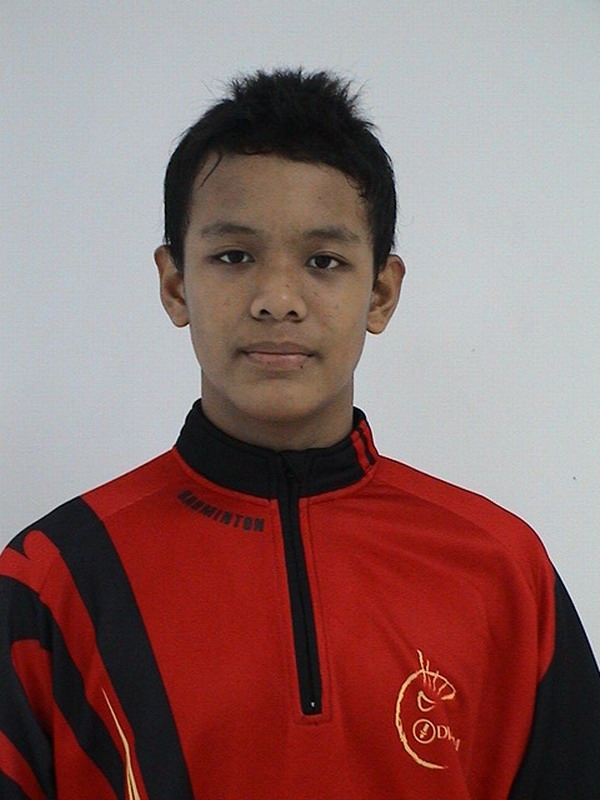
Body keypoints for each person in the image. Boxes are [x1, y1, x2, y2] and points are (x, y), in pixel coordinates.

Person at [1, 68, 598, 800]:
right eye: (233, 256)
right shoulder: (54, 576)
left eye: (323, 261)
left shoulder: (504, 571)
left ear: (381, 292)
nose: (277, 300)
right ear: (175, 285)